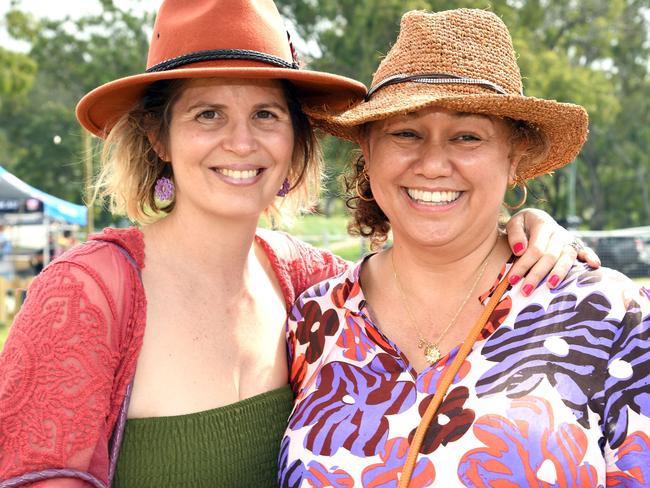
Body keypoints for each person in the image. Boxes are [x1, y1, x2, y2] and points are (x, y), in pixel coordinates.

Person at [0, 2, 598, 487]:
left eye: (266, 114)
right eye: (208, 114)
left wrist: (529, 229)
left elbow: (430, 257)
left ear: (294, 137)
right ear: (158, 134)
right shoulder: (89, 294)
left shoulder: (306, 286)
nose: (241, 142)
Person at [280, 8, 650, 487]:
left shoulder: (608, 314)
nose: (433, 164)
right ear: (368, 152)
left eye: (468, 136)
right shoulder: (312, 319)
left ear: (514, 157)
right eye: (406, 133)